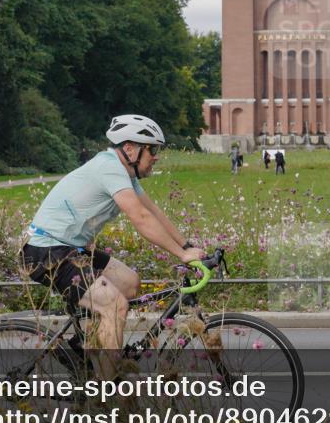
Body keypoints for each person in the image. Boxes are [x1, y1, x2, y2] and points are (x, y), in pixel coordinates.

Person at [21, 114, 205, 377]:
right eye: (152, 149)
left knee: (129, 282)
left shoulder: (124, 173)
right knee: (113, 305)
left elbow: (152, 211)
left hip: (71, 248)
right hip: (46, 251)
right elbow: (140, 219)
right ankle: (106, 396)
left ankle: (91, 349)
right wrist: (182, 255)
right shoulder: (109, 168)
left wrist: (187, 246)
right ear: (130, 148)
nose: (156, 156)